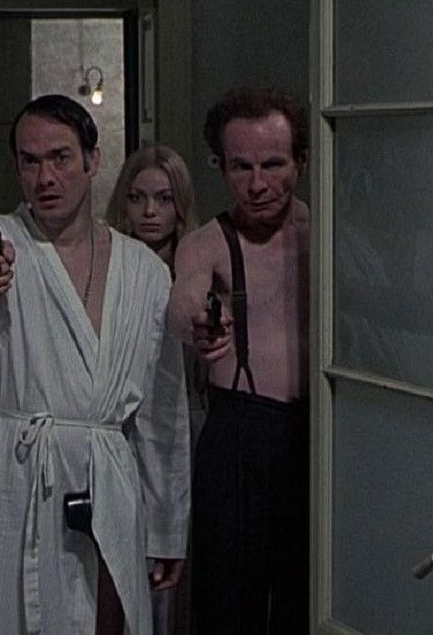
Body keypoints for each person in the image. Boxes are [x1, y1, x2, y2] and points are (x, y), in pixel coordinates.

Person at [0, 94, 190, 635]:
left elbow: (162, 411)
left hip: (105, 474)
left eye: (60, 157)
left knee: (107, 616)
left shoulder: (145, 272)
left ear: (92, 160)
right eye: (29, 161)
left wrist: (167, 527)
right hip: (17, 474)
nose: (45, 177)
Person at [170, 87, 310, 635]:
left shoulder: (326, 235)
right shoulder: (207, 243)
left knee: (309, 595)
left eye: (273, 165)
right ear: (221, 167)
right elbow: (184, 299)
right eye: (240, 167)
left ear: (301, 161)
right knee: (227, 604)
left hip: (315, 436)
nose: (257, 185)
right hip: (237, 434)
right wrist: (201, 323)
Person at [105, 144, 202, 635]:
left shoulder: (195, 268)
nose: (149, 212)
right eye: (138, 198)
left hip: (186, 420)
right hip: (120, 427)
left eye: (163, 199)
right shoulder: (109, 265)